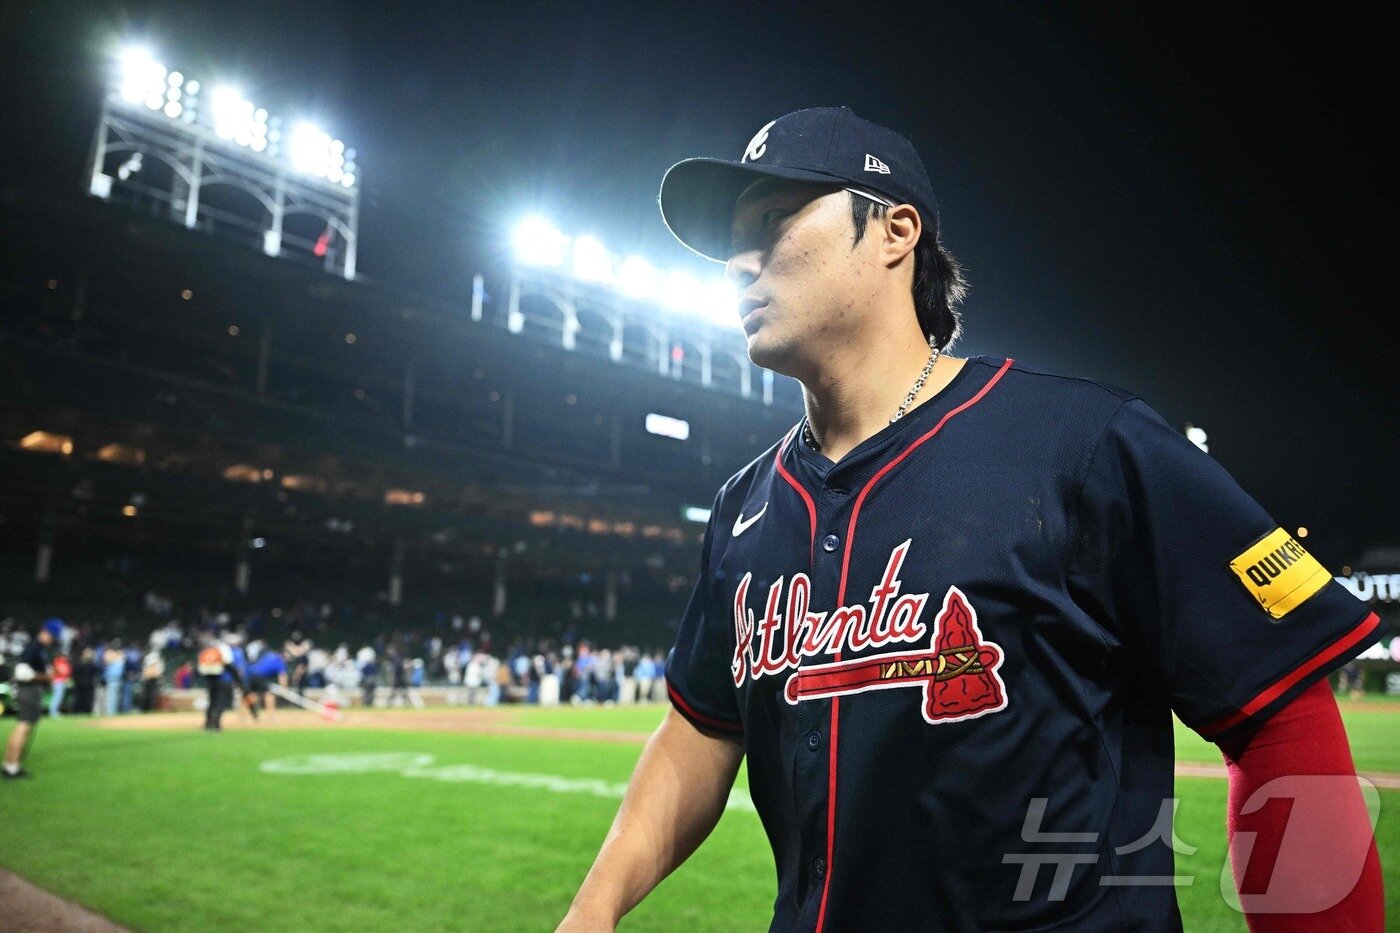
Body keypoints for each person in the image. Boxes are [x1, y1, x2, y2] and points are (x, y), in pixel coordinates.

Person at [559, 107, 1387, 931]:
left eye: (773, 221)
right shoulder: (746, 504)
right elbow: (698, 730)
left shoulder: (1086, 444)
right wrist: (590, 914)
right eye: (730, 241)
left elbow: (1283, 720)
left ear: (894, 231)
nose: (738, 263)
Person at [3, 619, 61, 778]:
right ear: (44, 632)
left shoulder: (40, 649)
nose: (51, 639)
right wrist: (46, 677)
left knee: (25, 727)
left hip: (31, 690)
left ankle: (11, 764)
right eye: (51, 635)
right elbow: (21, 673)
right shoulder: (34, 648)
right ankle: (11, 766)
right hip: (27, 691)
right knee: (23, 726)